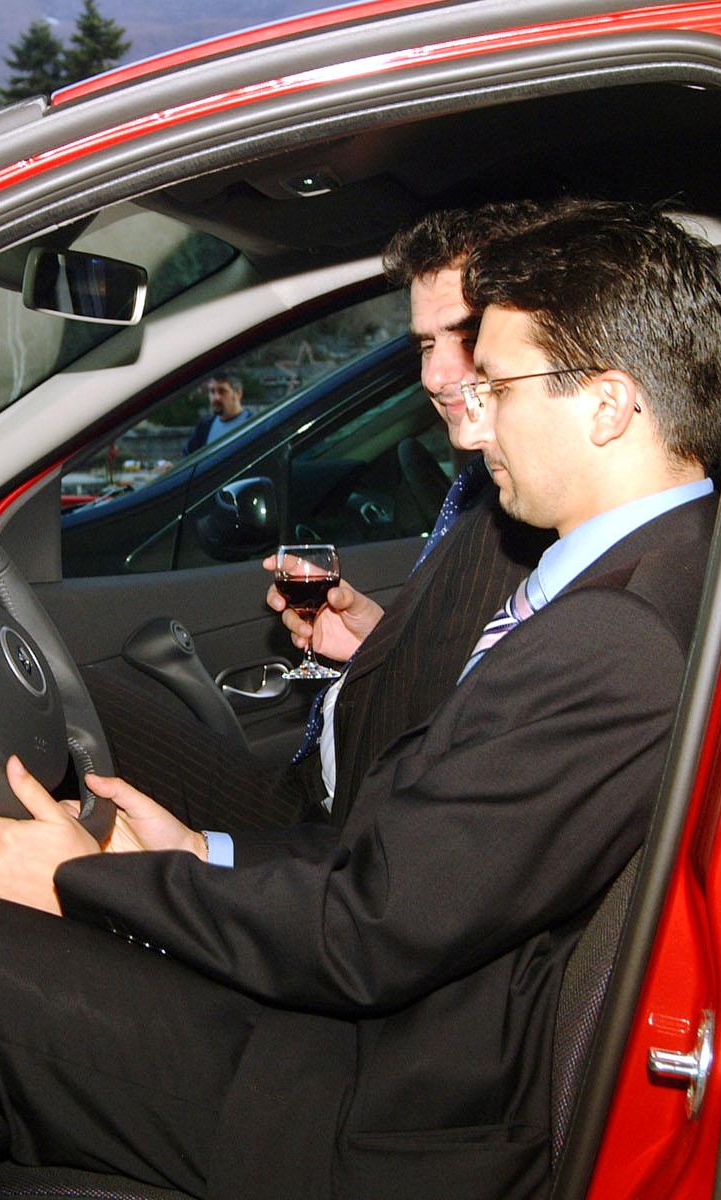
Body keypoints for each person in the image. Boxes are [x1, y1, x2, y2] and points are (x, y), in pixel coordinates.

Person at [0, 200, 721, 1199]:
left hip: (386, 1101)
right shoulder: (650, 575)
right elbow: (409, 864)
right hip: (382, 1037)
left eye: (500, 383)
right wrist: (188, 852)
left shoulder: (616, 638)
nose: (473, 405)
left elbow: (371, 931)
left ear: (608, 406)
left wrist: (88, 882)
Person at [91, 201, 556, 832]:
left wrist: (188, 863)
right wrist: (378, 643)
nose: (435, 374)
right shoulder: (482, 490)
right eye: (426, 344)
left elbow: (463, 774)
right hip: (316, 795)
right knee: (90, 703)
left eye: (468, 337)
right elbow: (453, 678)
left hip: (342, 839)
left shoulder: (545, 518)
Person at [181, 373, 252, 453]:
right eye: (212, 391)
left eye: (222, 391)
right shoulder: (204, 426)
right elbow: (188, 456)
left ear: (238, 394)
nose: (216, 397)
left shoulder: (252, 425)